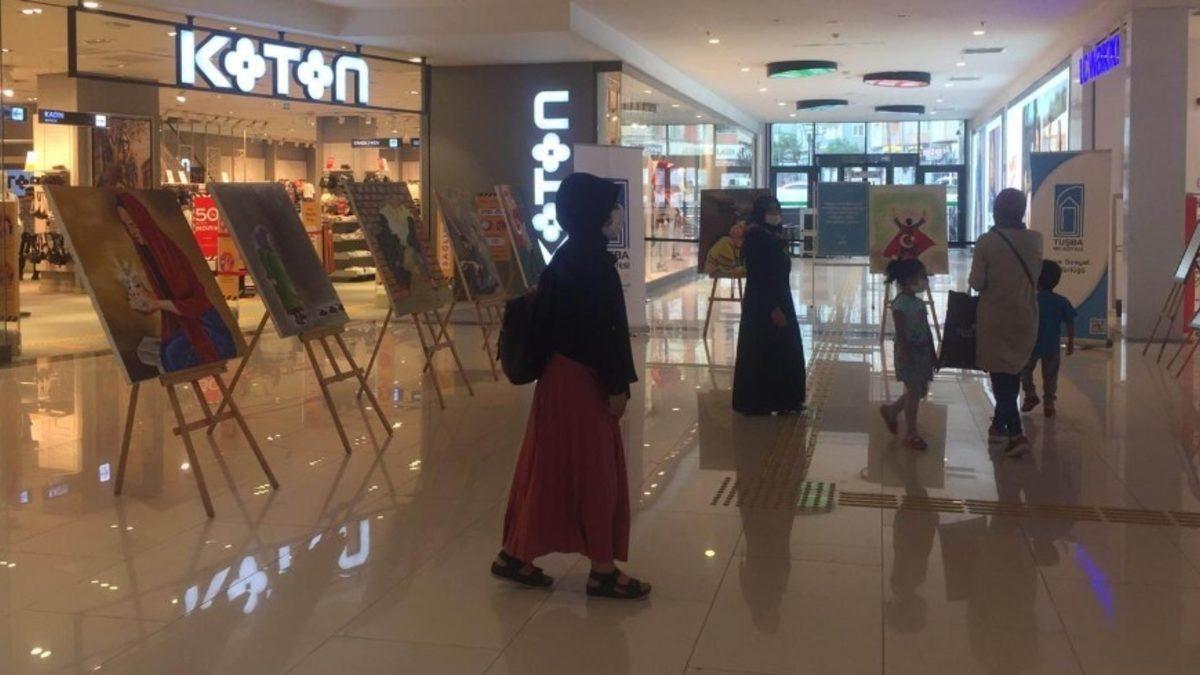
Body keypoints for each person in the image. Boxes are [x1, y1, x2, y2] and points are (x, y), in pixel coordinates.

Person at [493, 172, 650, 600]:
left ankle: (516, 553)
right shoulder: (591, 262)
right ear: (594, 211)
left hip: (561, 377)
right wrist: (617, 385)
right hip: (583, 380)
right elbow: (603, 332)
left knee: (551, 466)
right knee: (595, 472)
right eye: (612, 206)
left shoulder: (569, 256)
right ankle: (602, 569)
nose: (618, 213)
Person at [115, 191, 236, 372]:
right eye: (127, 226)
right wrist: (149, 298)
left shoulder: (166, 252)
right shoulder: (150, 253)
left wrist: (157, 303)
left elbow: (195, 303)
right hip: (185, 324)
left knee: (172, 353)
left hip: (207, 329)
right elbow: (171, 295)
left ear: (142, 220)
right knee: (153, 350)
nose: (132, 232)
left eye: (133, 224)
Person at [969, 188, 1043, 457]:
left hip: (996, 317)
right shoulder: (1036, 239)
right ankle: (999, 425)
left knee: (1001, 377)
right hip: (1026, 316)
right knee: (1011, 371)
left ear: (996, 211)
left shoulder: (987, 241)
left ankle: (1016, 433)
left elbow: (977, 282)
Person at [733, 195, 806, 415]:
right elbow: (760, 274)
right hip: (764, 301)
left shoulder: (772, 234)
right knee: (763, 349)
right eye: (770, 210)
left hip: (779, 296)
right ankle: (760, 401)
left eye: (777, 210)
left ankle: (783, 400)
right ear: (761, 212)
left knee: (782, 348)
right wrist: (773, 307)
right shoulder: (756, 236)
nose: (775, 214)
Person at [879, 259, 935, 450]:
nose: (926, 280)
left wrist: (933, 352)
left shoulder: (919, 303)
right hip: (908, 352)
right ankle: (911, 433)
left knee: (921, 390)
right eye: (923, 276)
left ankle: (892, 411)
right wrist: (904, 351)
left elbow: (926, 329)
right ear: (910, 279)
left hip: (923, 352)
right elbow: (901, 332)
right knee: (914, 390)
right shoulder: (900, 304)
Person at [1021, 260, 1076, 417]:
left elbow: (1023, 321)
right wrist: (1071, 342)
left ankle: (1030, 395)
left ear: (1036, 279)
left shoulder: (1031, 300)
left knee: (1024, 370)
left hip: (1031, 345)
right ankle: (1049, 402)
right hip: (1052, 346)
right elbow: (1070, 322)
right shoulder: (1061, 301)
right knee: (1051, 376)